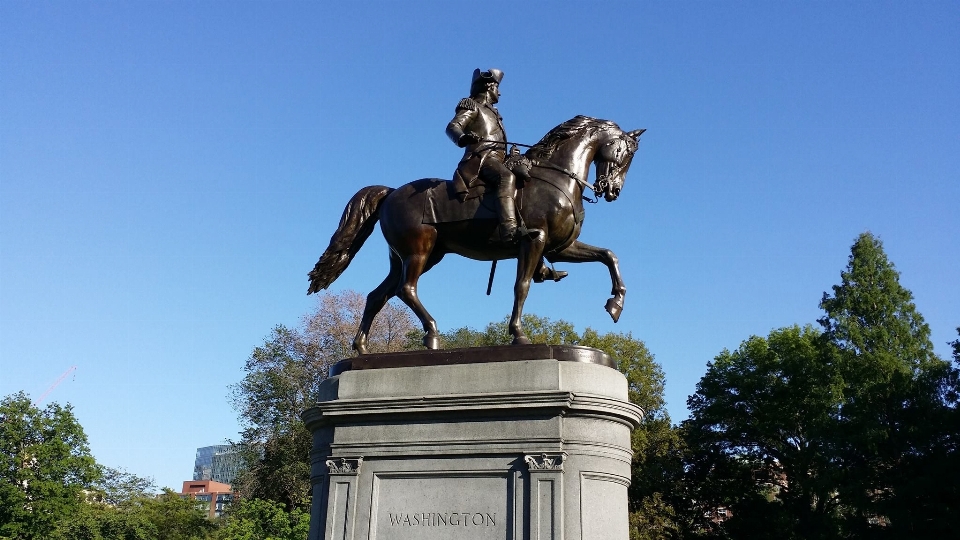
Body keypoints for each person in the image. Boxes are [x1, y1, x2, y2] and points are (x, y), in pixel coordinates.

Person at [446, 68, 520, 243]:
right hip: (481, 159)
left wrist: (509, 154)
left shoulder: (495, 114)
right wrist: (463, 138)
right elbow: (452, 127)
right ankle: (509, 228)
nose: (499, 93)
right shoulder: (473, 106)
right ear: (488, 86)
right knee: (506, 177)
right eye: (497, 87)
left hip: (497, 159)